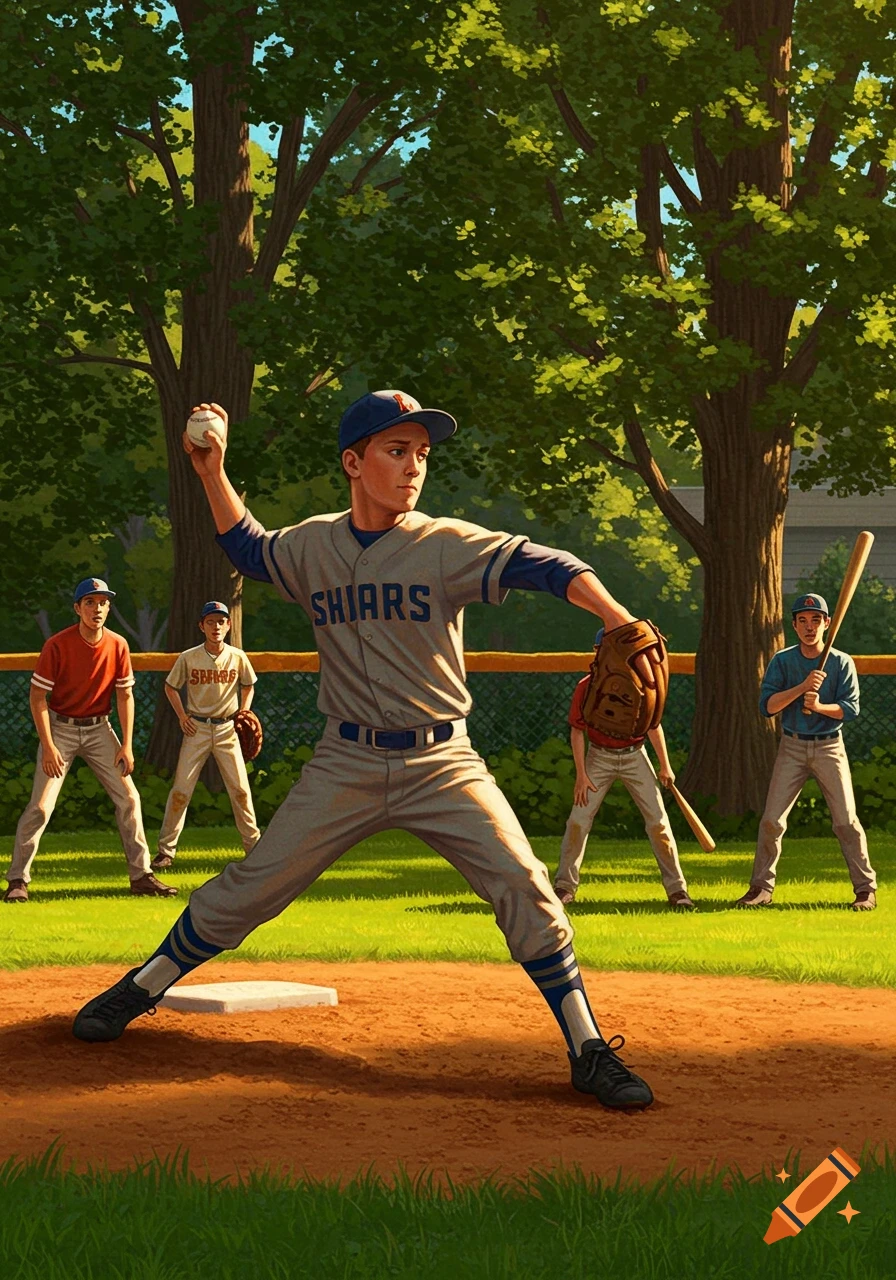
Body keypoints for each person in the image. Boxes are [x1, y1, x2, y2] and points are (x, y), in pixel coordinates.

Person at [73, 390, 657, 1111]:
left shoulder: (445, 542)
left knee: (526, 886)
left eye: (421, 453)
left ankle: (588, 1049)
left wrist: (619, 617)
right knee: (253, 887)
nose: (414, 466)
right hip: (344, 761)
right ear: (353, 462)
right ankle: (142, 987)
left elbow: (548, 564)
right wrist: (210, 470)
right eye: (395, 449)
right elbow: (248, 548)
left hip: (443, 762)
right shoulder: (314, 544)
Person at [3, 579, 176, 902]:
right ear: (77, 608)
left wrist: (125, 744)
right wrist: (50, 746)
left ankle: (141, 876)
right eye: (90, 603)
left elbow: (125, 695)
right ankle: (17, 880)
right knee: (41, 806)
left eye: (102, 603)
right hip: (61, 728)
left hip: (99, 728)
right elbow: (38, 696)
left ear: (109, 608)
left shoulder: (118, 645)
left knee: (129, 799)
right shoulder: (58, 644)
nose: (97, 609)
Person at [734, 592, 877, 910]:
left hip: (830, 746)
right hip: (792, 746)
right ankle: (761, 888)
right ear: (795, 625)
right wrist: (802, 688)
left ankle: (866, 890)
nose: (809, 626)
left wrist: (820, 706)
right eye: (803, 621)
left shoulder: (841, 661)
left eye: (816, 620)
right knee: (772, 820)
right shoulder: (783, 661)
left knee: (846, 822)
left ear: (827, 623)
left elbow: (850, 710)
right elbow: (767, 707)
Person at [554, 629, 695, 910]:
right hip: (599, 757)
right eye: (601, 649)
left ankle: (678, 891)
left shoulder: (642, 684)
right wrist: (581, 775)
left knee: (659, 824)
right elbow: (577, 731)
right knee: (578, 821)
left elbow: (653, 725)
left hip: (635, 755)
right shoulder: (587, 686)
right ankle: (563, 887)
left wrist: (664, 765)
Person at [150, 601, 260, 872]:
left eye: (221, 621)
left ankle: (255, 848)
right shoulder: (189, 657)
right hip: (197, 728)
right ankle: (166, 851)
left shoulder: (237, 656)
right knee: (181, 791)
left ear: (228, 625)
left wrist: (244, 712)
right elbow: (170, 687)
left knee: (241, 791)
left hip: (227, 729)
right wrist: (182, 717)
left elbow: (248, 685)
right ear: (202, 626)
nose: (216, 626)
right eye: (210, 622)